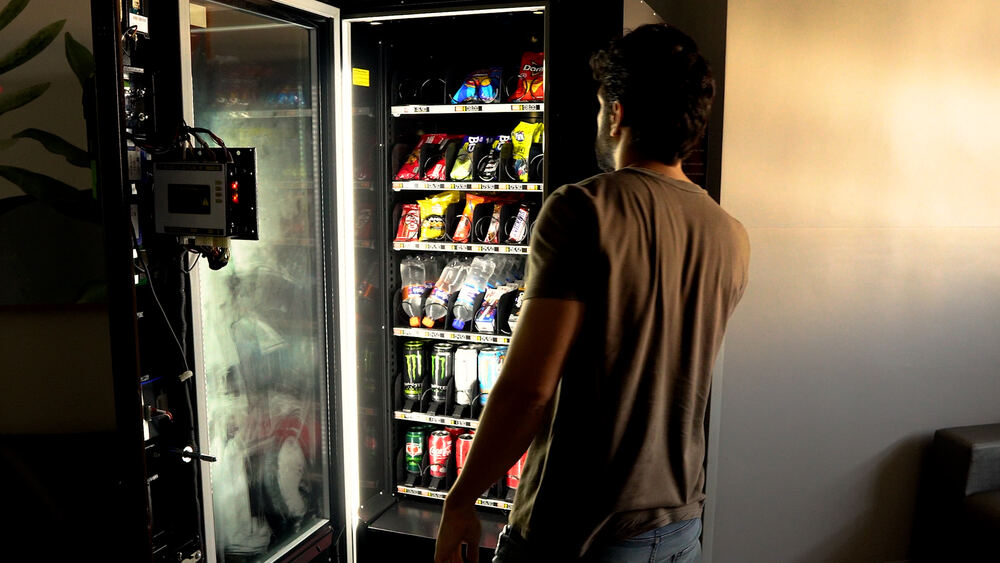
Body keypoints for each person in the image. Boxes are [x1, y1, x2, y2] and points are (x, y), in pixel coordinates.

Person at [434, 24, 750, 563]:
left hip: (580, 531)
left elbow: (527, 392)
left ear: (616, 113)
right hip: (680, 528)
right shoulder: (729, 232)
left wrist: (460, 501)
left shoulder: (583, 209)